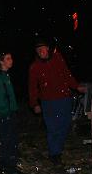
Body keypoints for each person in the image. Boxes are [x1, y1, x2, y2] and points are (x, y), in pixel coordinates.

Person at [27, 37, 86, 165]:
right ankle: (55, 154)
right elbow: (32, 87)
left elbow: (66, 74)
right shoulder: (34, 67)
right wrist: (34, 103)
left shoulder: (57, 58)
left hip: (64, 98)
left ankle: (58, 148)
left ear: (47, 48)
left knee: (65, 124)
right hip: (48, 102)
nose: (41, 51)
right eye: (38, 50)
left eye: (42, 48)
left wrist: (76, 86)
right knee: (53, 127)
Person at [0, 50, 24, 174]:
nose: (11, 60)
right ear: (1, 61)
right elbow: (0, 97)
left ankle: (5, 167)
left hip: (7, 112)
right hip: (4, 114)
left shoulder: (4, 75)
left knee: (8, 140)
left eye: (11, 58)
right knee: (9, 140)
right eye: (8, 58)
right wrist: (6, 113)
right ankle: (9, 169)